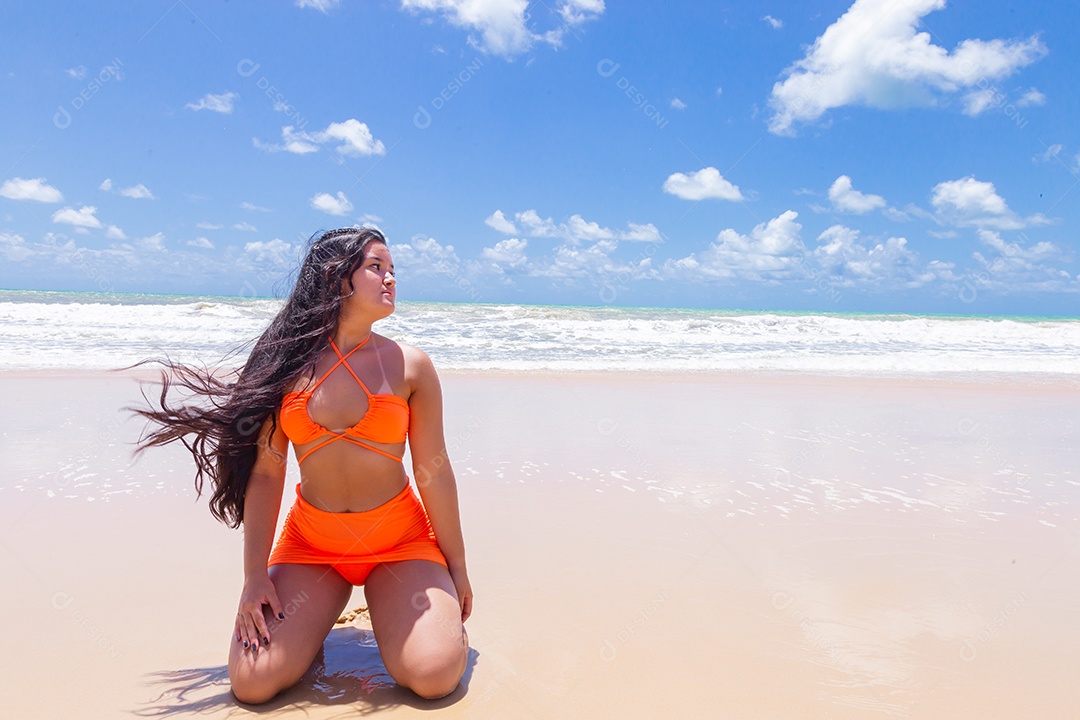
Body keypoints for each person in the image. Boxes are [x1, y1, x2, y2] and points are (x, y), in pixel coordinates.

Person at [134, 227, 472, 703]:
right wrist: (254, 576)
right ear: (337, 279)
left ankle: (417, 624)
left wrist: (456, 566)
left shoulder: (412, 366)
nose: (391, 278)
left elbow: (433, 471)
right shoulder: (284, 366)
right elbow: (268, 473)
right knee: (252, 684)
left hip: (401, 543)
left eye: (393, 269)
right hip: (313, 546)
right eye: (377, 267)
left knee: (432, 676)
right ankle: (309, 632)